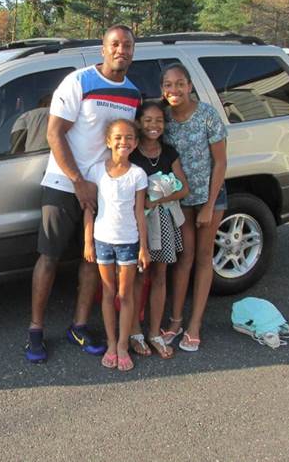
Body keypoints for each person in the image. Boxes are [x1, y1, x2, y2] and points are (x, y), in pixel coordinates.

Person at [26, 25, 141, 363]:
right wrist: (78, 180)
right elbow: (54, 133)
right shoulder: (79, 82)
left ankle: (79, 325)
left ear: (134, 51)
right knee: (49, 257)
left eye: (128, 45)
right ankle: (35, 330)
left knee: (92, 258)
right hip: (64, 182)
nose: (121, 50)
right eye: (115, 44)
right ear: (103, 49)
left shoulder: (133, 94)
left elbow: (123, 144)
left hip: (103, 189)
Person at [159, 63, 228, 353]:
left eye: (179, 83)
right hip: (181, 199)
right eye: (168, 85)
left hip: (209, 197)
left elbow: (221, 162)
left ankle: (195, 324)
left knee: (202, 257)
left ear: (189, 86)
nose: (174, 90)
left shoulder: (207, 115)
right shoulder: (164, 119)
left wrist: (209, 206)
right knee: (183, 258)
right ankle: (175, 321)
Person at [83, 119, 149, 371]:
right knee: (108, 293)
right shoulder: (97, 170)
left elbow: (140, 213)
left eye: (129, 137)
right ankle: (111, 343)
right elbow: (89, 208)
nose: (124, 142)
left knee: (126, 294)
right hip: (102, 240)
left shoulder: (138, 174)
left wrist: (143, 247)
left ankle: (123, 344)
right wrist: (88, 241)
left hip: (128, 241)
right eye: (118, 137)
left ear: (136, 143)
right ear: (108, 141)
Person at [128, 101, 190, 359]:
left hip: (162, 220)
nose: (153, 126)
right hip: (139, 222)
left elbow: (184, 189)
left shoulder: (169, 152)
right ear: (139, 123)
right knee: (138, 276)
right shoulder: (132, 154)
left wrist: (158, 200)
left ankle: (154, 332)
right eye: (148, 120)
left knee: (160, 275)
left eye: (159, 121)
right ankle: (134, 332)